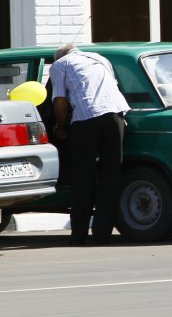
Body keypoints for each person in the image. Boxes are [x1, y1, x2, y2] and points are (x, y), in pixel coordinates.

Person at [50, 44, 130, 245]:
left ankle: (78, 235)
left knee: (82, 179)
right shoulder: (100, 58)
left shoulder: (60, 64)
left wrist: (60, 127)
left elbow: (60, 103)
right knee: (110, 178)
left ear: (58, 56)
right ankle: (102, 234)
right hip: (115, 117)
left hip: (86, 121)